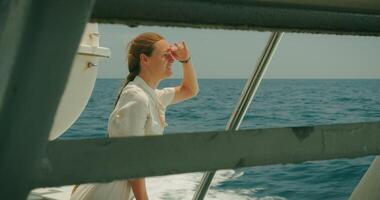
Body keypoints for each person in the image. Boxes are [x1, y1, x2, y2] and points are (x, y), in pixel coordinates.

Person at [71, 32, 199, 200]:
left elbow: (190, 90)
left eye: (172, 55)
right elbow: (130, 157)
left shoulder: (153, 96)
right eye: (166, 55)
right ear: (144, 59)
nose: (172, 59)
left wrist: (186, 60)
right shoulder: (137, 96)